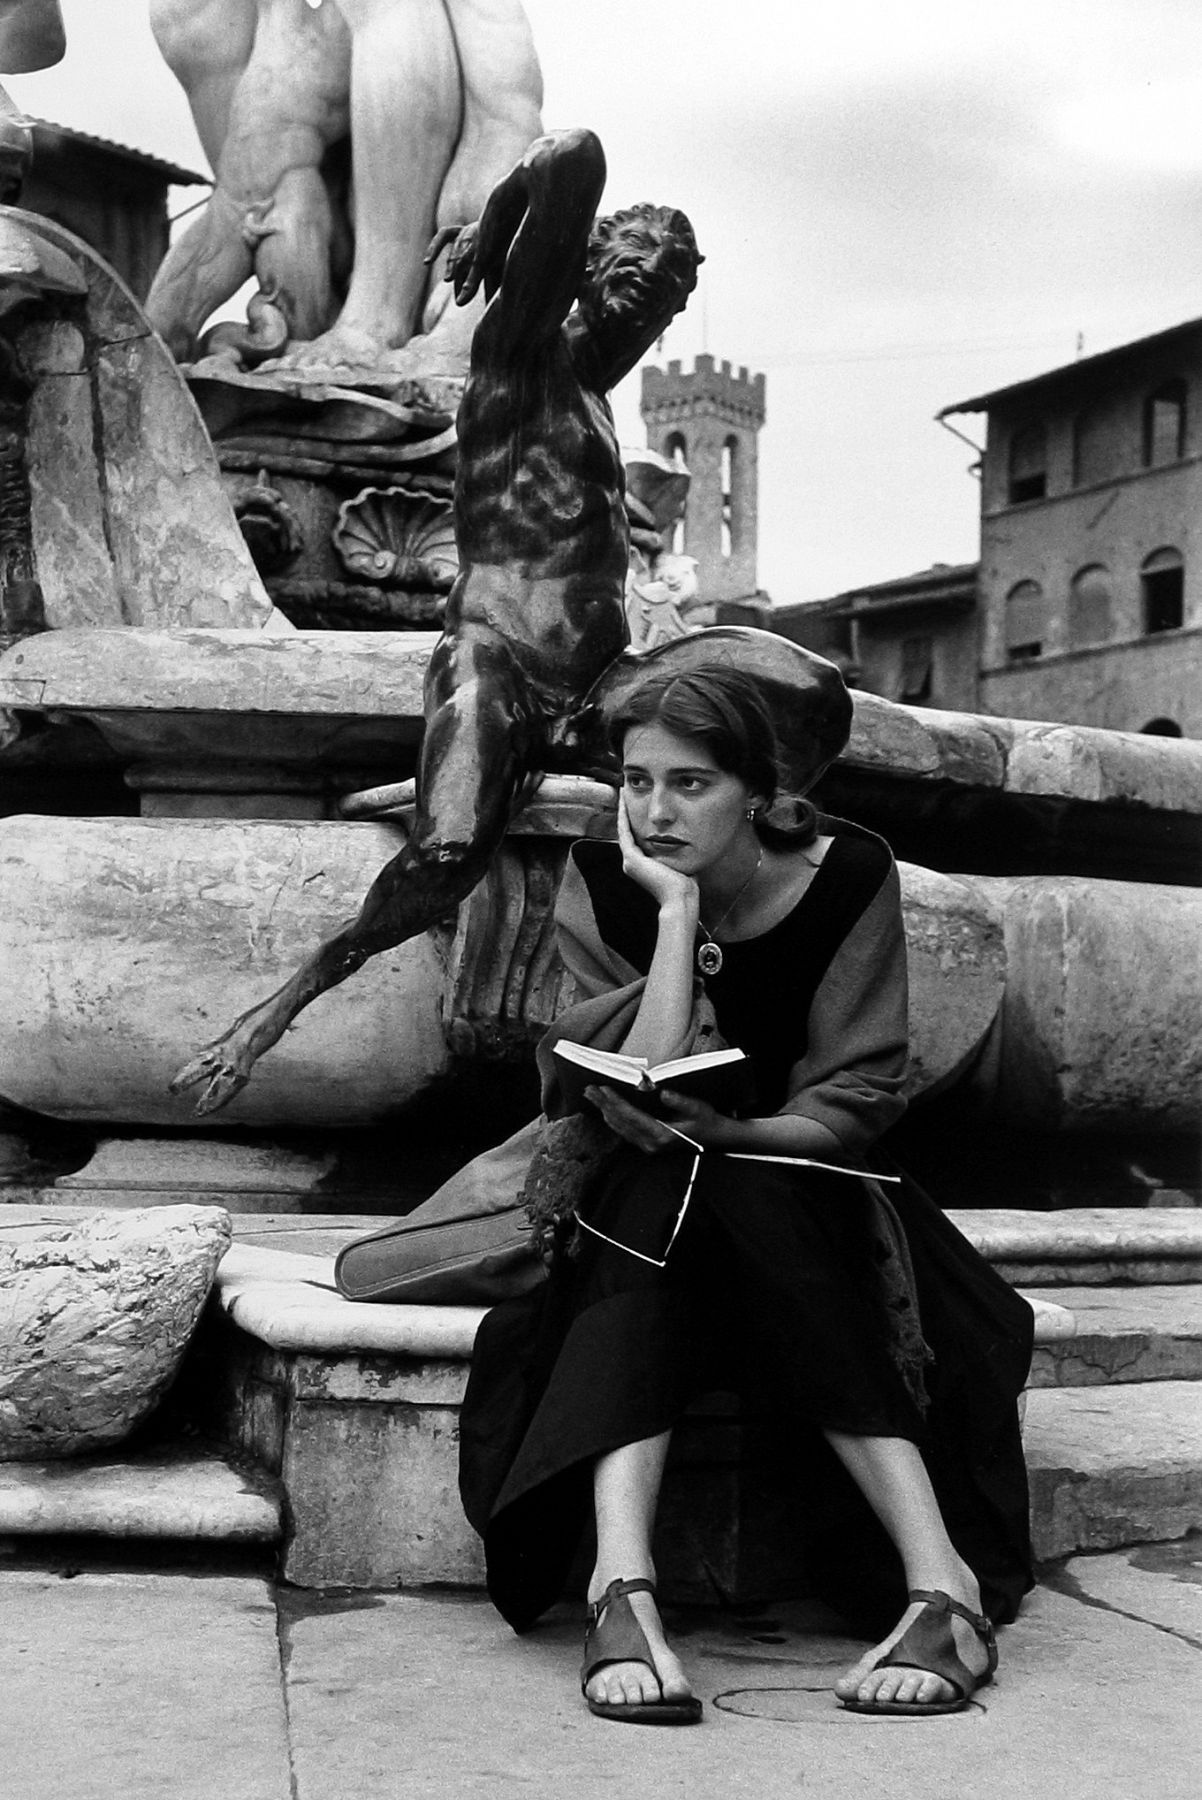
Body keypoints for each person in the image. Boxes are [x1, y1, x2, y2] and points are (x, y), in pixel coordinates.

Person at [453, 662, 1033, 1723]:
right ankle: (625, 1583)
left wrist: (738, 1133)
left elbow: (861, 1090)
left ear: (757, 791)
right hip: (643, 1190)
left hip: (813, 1191)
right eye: (634, 782)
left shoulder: (850, 873)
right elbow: (631, 1071)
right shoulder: (600, 880)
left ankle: (927, 1585)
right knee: (665, 1182)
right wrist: (673, 915)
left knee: (733, 1185)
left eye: (690, 784)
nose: (653, 812)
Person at [172, 127, 703, 1113]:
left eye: (661, 302)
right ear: (586, 277)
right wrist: (490, 226)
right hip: (494, 660)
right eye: (629, 287)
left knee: (781, 694)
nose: (643, 312)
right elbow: (574, 154)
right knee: (454, 847)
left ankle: (700, 1009)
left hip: (598, 684)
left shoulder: (589, 397)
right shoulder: (520, 351)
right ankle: (276, 1009)